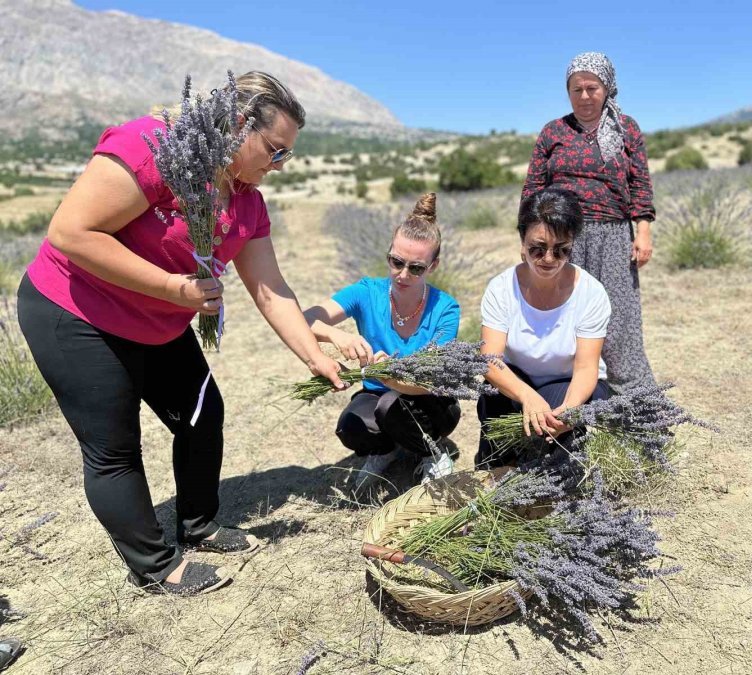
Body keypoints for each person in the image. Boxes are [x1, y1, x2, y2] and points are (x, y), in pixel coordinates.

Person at [16, 71, 346, 596]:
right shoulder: (150, 149)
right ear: (238, 125)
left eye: (288, 154)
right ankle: (154, 565)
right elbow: (70, 232)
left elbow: (270, 289)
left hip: (158, 320)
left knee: (202, 415)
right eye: (276, 150)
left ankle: (198, 524)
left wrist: (314, 356)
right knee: (115, 448)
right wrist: (174, 288)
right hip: (77, 313)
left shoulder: (246, 199)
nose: (281, 164)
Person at [304, 193, 461, 487]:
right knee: (351, 427)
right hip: (379, 395)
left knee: (391, 405)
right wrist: (336, 334)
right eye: (396, 262)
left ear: (433, 266)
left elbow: (432, 379)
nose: (402, 275)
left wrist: (390, 375)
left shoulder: (445, 308)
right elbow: (304, 320)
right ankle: (386, 450)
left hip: (430, 401)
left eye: (416, 268)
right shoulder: (367, 292)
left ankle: (432, 453)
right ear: (388, 254)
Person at [522, 51, 657, 394]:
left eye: (592, 88)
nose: (584, 96)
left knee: (620, 318)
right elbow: (533, 188)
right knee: (563, 312)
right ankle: (569, 398)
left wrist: (642, 231)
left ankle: (636, 400)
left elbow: (640, 183)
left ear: (607, 88)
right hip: (561, 237)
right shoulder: (553, 131)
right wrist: (529, 239)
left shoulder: (627, 129)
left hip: (613, 235)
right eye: (576, 89)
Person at [476, 187, 611, 468]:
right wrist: (527, 396)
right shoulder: (501, 288)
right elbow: (490, 361)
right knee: (493, 397)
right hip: (517, 385)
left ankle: (556, 460)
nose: (548, 259)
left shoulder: (591, 292)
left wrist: (570, 411)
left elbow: (586, 368)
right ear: (522, 243)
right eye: (537, 249)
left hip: (569, 385)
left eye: (561, 250)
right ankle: (504, 460)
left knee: (552, 418)